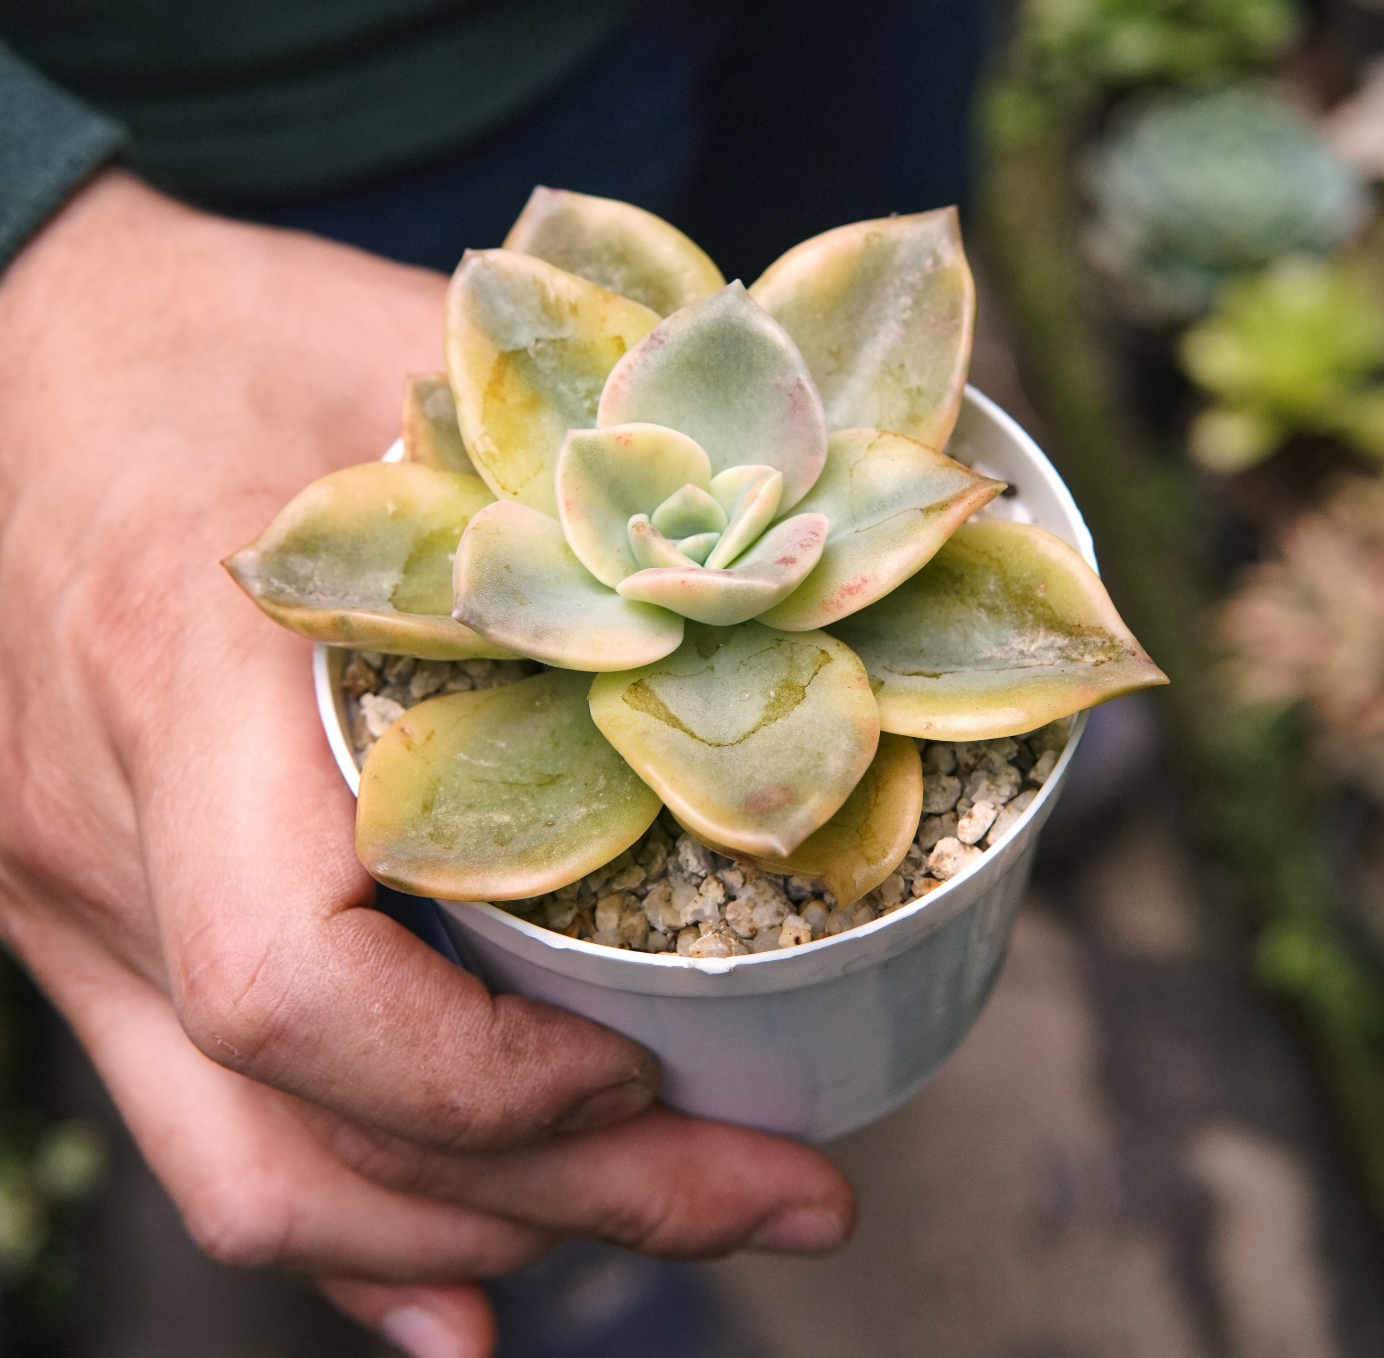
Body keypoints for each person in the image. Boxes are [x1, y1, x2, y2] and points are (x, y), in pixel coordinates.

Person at [0, 3, 987, 1354]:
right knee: (319, 882)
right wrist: (31, 248)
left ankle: (986, 713)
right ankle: (548, 1245)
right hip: (298, 84)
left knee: (873, 189)